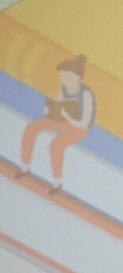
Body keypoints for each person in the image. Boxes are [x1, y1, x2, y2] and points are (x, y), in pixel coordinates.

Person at [16, 54, 96, 195]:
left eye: (69, 78)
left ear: (78, 77)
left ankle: (57, 182)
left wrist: (67, 117)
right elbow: (59, 104)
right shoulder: (64, 88)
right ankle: (25, 166)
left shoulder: (86, 94)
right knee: (32, 128)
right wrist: (50, 110)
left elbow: (84, 123)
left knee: (56, 144)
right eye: (63, 77)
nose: (65, 81)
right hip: (63, 119)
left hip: (79, 127)